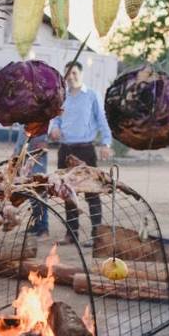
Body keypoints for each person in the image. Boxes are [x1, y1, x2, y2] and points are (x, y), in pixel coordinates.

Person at [48, 61, 113, 244]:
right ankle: (71, 234)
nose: (71, 77)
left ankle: (97, 235)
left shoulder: (91, 95)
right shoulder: (62, 96)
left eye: (75, 73)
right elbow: (56, 121)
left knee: (92, 193)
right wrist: (54, 129)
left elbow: (102, 120)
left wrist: (106, 143)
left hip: (85, 150)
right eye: (68, 73)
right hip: (65, 149)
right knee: (67, 193)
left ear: (81, 74)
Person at [13, 125, 50, 237]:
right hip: (24, 154)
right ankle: (36, 224)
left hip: (37, 153)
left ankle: (43, 227)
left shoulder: (42, 116)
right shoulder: (23, 119)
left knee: (39, 189)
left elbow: (50, 125)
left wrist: (46, 141)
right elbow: (21, 138)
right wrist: (15, 154)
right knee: (30, 190)